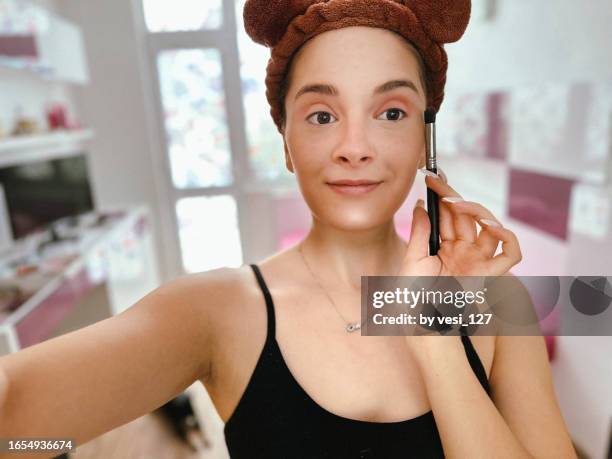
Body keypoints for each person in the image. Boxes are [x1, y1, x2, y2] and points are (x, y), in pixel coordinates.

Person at [0, 0, 577, 458]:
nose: (354, 148)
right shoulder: (216, 311)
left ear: (426, 137)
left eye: (391, 112)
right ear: (286, 145)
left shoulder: (501, 304)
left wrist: (436, 342)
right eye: (322, 116)